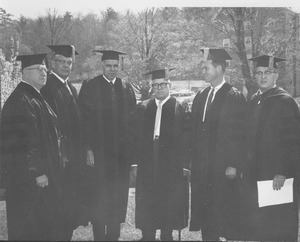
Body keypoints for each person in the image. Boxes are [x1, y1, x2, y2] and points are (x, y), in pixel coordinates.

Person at [0, 54, 64, 240]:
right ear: (25, 73)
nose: (44, 73)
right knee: (29, 227)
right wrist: (37, 172)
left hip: (37, 176)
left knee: (40, 225)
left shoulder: (34, 96)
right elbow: (25, 141)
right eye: (39, 69)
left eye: (45, 69)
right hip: (28, 179)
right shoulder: (21, 100)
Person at [78, 50, 136, 241]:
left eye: (115, 66)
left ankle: (113, 237)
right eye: (108, 66)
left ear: (118, 66)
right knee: (98, 197)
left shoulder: (126, 87)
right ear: (102, 66)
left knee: (117, 198)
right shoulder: (91, 86)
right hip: (98, 155)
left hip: (120, 157)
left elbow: (132, 121)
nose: (112, 69)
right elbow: (82, 121)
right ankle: (99, 237)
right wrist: (87, 148)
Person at [189, 48, 247, 240]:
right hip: (203, 168)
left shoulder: (234, 96)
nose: (203, 71)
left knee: (223, 215)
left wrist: (234, 163)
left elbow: (239, 134)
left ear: (220, 68)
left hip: (223, 168)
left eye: (207, 68)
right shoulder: (201, 96)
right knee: (206, 214)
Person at [242, 55, 300, 241]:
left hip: (276, 176)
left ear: (276, 75)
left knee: (278, 224)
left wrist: (282, 171)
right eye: (259, 73)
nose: (263, 76)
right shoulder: (254, 100)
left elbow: (293, 141)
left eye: (267, 72)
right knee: (258, 224)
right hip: (255, 173)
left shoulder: (285, 101)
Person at [130, 68, 189, 241]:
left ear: (169, 85)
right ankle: (147, 234)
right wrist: (134, 162)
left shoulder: (179, 107)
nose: (158, 88)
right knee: (148, 195)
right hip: (147, 158)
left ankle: (166, 234)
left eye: (162, 84)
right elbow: (135, 137)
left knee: (167, 197)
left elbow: (187, 139)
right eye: (155, 85)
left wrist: (185, 164)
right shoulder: (143, 107)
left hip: (171, 162)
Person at [40, 45, 86, 240]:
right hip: (59, 160)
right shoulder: (47, 89)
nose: (67, 65)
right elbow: (49, 128)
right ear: (53, 63)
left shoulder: (70, 88)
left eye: (69, 62)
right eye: (62, 61)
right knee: (58, 212)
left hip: (73, 159)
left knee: (69, 211)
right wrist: (64, 154)